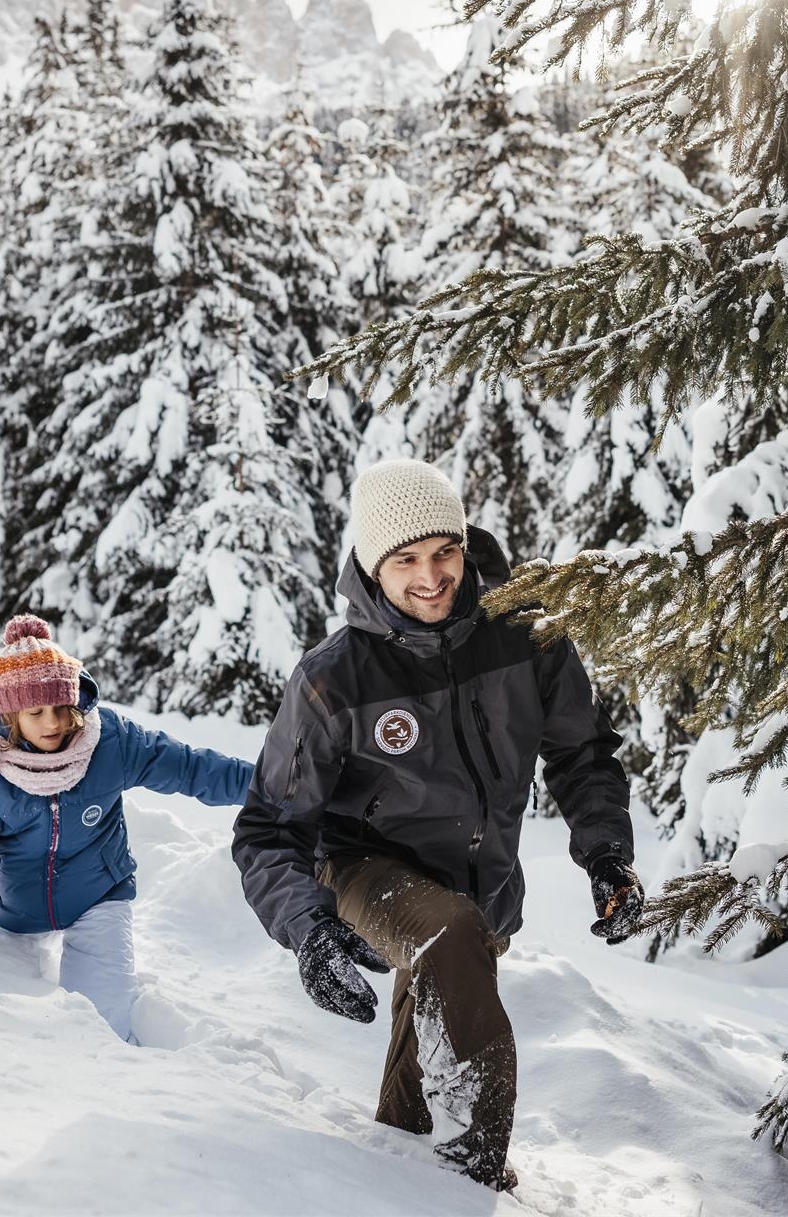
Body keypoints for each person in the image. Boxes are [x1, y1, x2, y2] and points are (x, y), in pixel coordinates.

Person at [232, 458, 648, 1191]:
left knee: (439, 1003)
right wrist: (308, 930)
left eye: (444, 552)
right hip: (363, 869)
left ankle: (403, 1163)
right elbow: (269, 827)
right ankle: (472, 1174)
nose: (430, 577)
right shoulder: (335, 677)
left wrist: (609, 856)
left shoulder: (524, 637)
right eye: (405, 561)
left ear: (463, 544)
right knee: (446, 933)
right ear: (372, 567)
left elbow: (582, 754)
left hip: (480, 880)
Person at [0, 614, 254, 1042]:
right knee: (5, 1027)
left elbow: (191, 767)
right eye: (36, 712)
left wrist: (277, 788)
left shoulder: (109, 743)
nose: (53, 723)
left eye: (62, 709)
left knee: (102, 1027)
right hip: (19, 909)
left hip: (99, 896)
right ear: (12, 715)